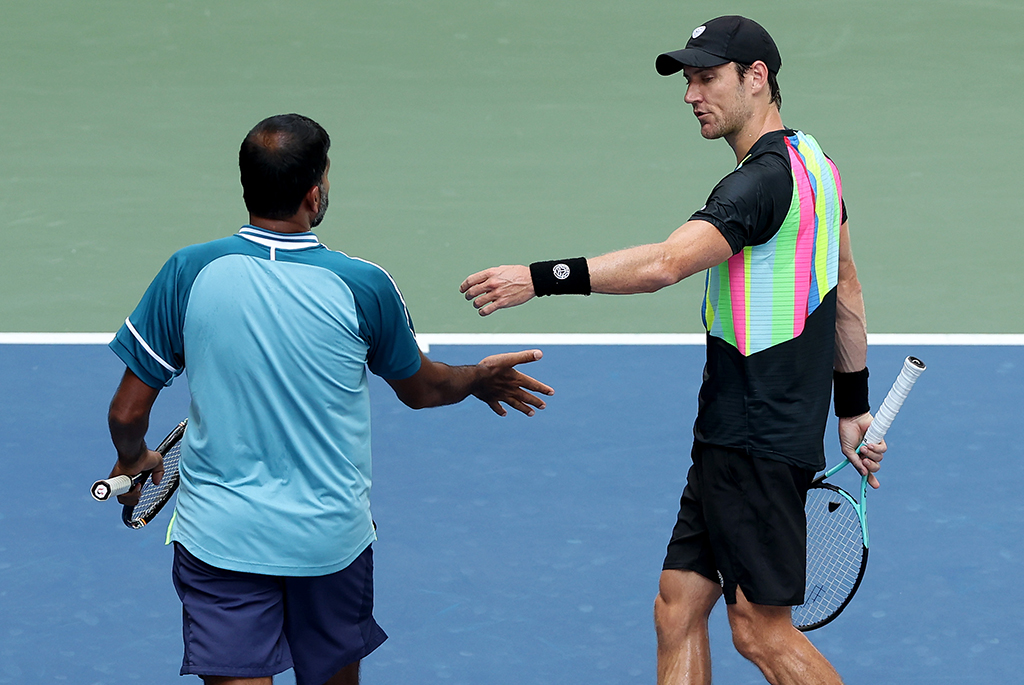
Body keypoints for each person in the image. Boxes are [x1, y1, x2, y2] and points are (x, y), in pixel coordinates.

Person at [460, 15, 886, 685]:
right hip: (742, 431)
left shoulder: (756, 184)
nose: (692, 94)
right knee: (678, 606)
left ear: (757, 78)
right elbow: (849, 290)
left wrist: (539, 278)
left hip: (755, 434)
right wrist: (853, 403)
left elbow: (664, 263)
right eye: (688, 80)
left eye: (707, 78)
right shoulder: (817, 164)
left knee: (759, 631)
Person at [104, 113, 554, 685]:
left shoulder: (188, 272)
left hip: (219, 537)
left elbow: (127, 412)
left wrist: (133, 456)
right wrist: (478, 378)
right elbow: (423, 389)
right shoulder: (363, 284)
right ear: (315, 194)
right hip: (329, 540)